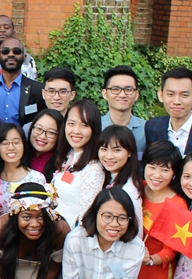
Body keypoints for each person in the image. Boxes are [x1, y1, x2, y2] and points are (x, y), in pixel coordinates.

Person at [62, 188, 145, 279]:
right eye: (107, 216)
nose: (114, 224)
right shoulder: (75, 240)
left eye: (122, 218)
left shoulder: (135, 247)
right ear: (95, 214)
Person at [134, 141, 187, 279]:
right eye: (152, 167)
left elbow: (172, 250)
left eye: (165, 170)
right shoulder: (136, 189)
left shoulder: (178, 204)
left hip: (155, 273)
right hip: (128, 267)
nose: (157, 175)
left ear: (174, 174)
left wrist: (150, 260)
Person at [51, 99, 105, 227]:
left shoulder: (94, 168)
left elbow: (85, 219)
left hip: (70, 239)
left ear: (94, 129)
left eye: (84, 125)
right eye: (71, 123)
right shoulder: (69, 156)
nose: (76, 130)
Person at [0, 37, 44, 127]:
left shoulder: (37, 89)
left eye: (16, 51)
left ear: (24, 57)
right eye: (5, 51)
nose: (11, 54)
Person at [97, 125, 143, 236]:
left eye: (116, 150)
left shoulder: (129, 190)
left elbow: (137, 233)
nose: (109, 156)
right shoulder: (104, 176)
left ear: (129, 152)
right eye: (104, 149)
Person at [0, 123, 46, 216]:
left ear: (24, 145)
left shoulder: (37, 178)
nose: (11, 148)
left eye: (16, 142)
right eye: (5, 143)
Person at [100, 65, 146, 155]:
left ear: (136, 95)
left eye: (128, 89)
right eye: (115, 89)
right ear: (105, 93)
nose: (122, 95)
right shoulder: (94, 127)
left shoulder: (146, 130)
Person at [0, 15, 37, 80]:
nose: (2, 30)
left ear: (13, 33)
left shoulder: (27, 60)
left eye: (7, 27)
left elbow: (32, 84)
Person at [27, 107, 64, 181]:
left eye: (51, 132)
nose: (42, 136)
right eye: (39, 129)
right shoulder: (20, 156)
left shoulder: (63, 165)